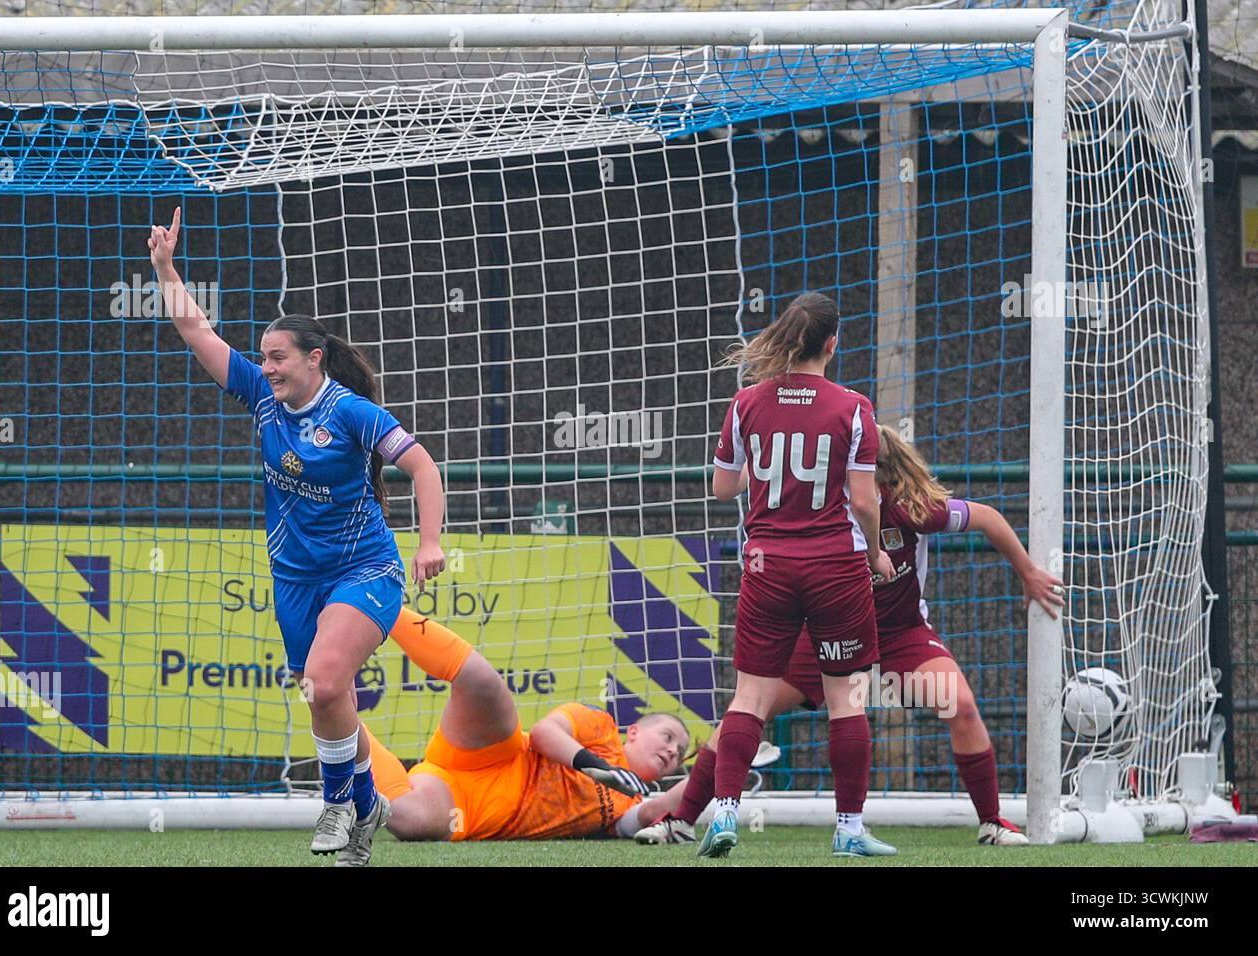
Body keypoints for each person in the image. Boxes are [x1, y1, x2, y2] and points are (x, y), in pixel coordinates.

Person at [149, 208, 452, 865]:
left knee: (323, 674)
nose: (268, 367)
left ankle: (340, 805)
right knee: (323, 694)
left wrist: (430, 543)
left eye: (278, 357)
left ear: (314, 359)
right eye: (263, 358)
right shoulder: (261, 396)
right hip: (294, 578)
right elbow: (193, 327)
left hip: (364, 569)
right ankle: (368, 799)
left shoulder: (350, 412)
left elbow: (422, 464)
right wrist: (167, 269)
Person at [637, 424, 1065, 847]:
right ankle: (681, 821)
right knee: (747, 710)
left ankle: (992, 822)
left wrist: (1028, 572)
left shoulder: (911, 507)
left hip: (900, 636)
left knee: (962, 707)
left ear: (871, 467)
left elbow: (987, 517)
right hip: (826, 632)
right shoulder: (816, 506)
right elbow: (744, 480)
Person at [701, 292, 896, 859]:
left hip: (767, 564)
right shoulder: (853, 407)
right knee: (847, 698)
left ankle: (727, 813)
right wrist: (878, 553)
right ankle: (849, 829)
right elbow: (863, 501)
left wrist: (764, 477)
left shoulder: (744, 403)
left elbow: (723, 488)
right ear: (832, 344)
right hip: (834, 565)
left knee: (749, 697)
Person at [357, 611, 687, 858]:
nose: (672, 751)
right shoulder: (601, 726)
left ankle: (331, 700)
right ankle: (377, 603)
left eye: (680, 753)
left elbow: (646, 815)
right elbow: (545, 733)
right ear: (634, 731)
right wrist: (594, 765)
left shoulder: (630, 806)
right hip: (496, 752)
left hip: (469, 810)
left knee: (408, 819)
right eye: (668, 736)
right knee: (481, 682)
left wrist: (719, 763)